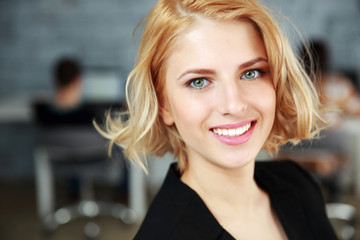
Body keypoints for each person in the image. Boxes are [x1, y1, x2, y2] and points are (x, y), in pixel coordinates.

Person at [98, 0, 337, 239]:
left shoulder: (297, 184)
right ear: (164, 105)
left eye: (251, 73)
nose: (233, 105)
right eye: (199, 81)